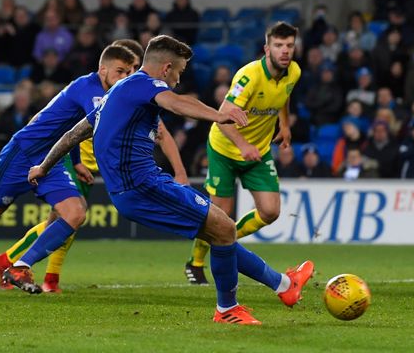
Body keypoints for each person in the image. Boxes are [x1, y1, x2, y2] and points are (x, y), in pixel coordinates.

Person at [28, 35, 313, 325]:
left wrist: (43, 166)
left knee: (219, 233)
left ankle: (285, 286)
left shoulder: (116, 92)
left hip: (134, 189)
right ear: (166, 69)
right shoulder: (145, 85)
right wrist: (218, 115)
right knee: (225, 229)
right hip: (143, 186)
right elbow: (176, 104)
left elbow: (73, 134)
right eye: (179, 71)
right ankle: (228, 310)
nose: (179, 77)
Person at [0, 40, 188, 293]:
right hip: (74, 161)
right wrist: (77, 161)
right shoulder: (104, 92)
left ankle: (26, 267)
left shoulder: (139, 95)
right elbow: (71, 128)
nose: (131, 74)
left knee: (64, 221)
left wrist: (180, 171)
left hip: (94, 166)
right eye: (127, 69)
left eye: (134, 68)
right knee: (71, 216)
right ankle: (33, 271)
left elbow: (162, 133)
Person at [0, 44, 137, 295]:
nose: (125, 78)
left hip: (51, 160)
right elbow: (100, 125)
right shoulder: (88, 89)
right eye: (120, 71)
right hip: (21, 154)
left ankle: (19, 266)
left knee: (75, 213)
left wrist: (75, 161)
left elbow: (74, 129)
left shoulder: (104, 92)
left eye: (130, 72)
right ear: (102, 69)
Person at [185, 22, 301, 285]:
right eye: (279, 45)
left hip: (257, 153)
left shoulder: (293, 71)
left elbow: (284, 96)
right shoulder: (248, 76)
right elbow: (222, 118)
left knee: (270, 212)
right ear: (266, 48)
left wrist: (285, 125)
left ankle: (224, 241)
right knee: (219, 216)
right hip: (225, 149)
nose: (285, 51)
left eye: (289, 45)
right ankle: (196, 262)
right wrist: (243, 146)